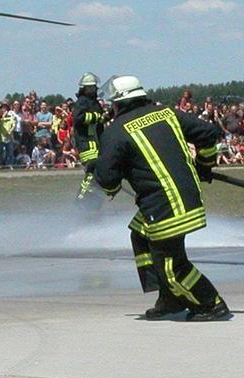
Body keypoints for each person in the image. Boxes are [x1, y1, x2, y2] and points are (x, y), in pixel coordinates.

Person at [93, 75, 231, 321]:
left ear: (118, 104)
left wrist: (102, 171)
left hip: (165, 207)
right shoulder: (166, 113)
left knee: (171, 266)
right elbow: (209, 134)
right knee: (140, 233)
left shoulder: (116, 131)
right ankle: (170, 298)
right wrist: (205, 164)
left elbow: (106, 179)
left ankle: (211, 303)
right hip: (185, 197)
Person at [72, 73, 105, 198]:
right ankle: (81, 200)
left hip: (96, 143)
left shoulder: (94, 102)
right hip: (86, 143)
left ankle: (93, 202)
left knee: (98, 174)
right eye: (90, 87)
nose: (93, 89)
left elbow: (100, 122)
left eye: (94, 87)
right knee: (92, 172)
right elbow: (78, 118)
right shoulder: (82, 102)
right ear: (84, 89)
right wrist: (97, 117)